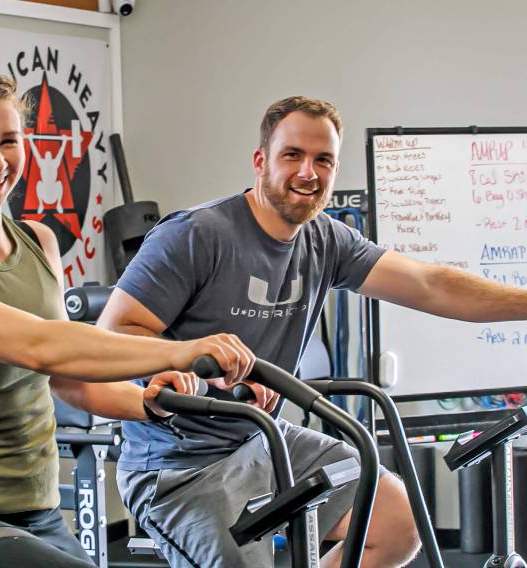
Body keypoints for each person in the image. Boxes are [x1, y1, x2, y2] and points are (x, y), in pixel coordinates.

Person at [98, 96, 527, 568]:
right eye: (292, 155)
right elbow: (116, 330)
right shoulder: (196, 234)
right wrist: (196, 362)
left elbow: (429, 285)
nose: (308, 172)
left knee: (396, 522)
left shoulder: (327, 238)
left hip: (263, 439)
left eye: (323, 160)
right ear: (261, 161)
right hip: (179, 466)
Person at [0, 51, 254, 568]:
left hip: (35, 510)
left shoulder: (37, 241)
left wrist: (146, 404)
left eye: (9, 141)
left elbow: (67, 378)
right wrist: (179, 351)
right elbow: (39, 343)